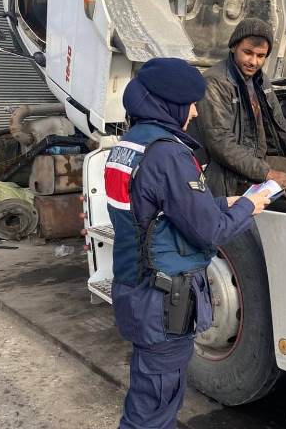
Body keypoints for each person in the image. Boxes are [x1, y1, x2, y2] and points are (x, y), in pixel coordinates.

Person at [105, 58, 271, 429]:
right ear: (169, 104)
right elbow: (209, 231)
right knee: (155, 403)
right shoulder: (168, 154)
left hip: (135, 286)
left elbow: (154, 211)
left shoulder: (129, 145)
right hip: (163, 299)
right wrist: (248, 205)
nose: (195, 111)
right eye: (190, 103)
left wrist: (217, 202)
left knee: (151, 388)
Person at [196, 17, 286, 211]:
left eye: (260, 56)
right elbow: (221, 144)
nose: (253, 62)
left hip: (259, 161)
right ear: (234, 47)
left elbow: (282, 127)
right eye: (248, 53)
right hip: (230, 172)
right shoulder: (214, 83)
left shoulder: (260, 80)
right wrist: (269, 174)